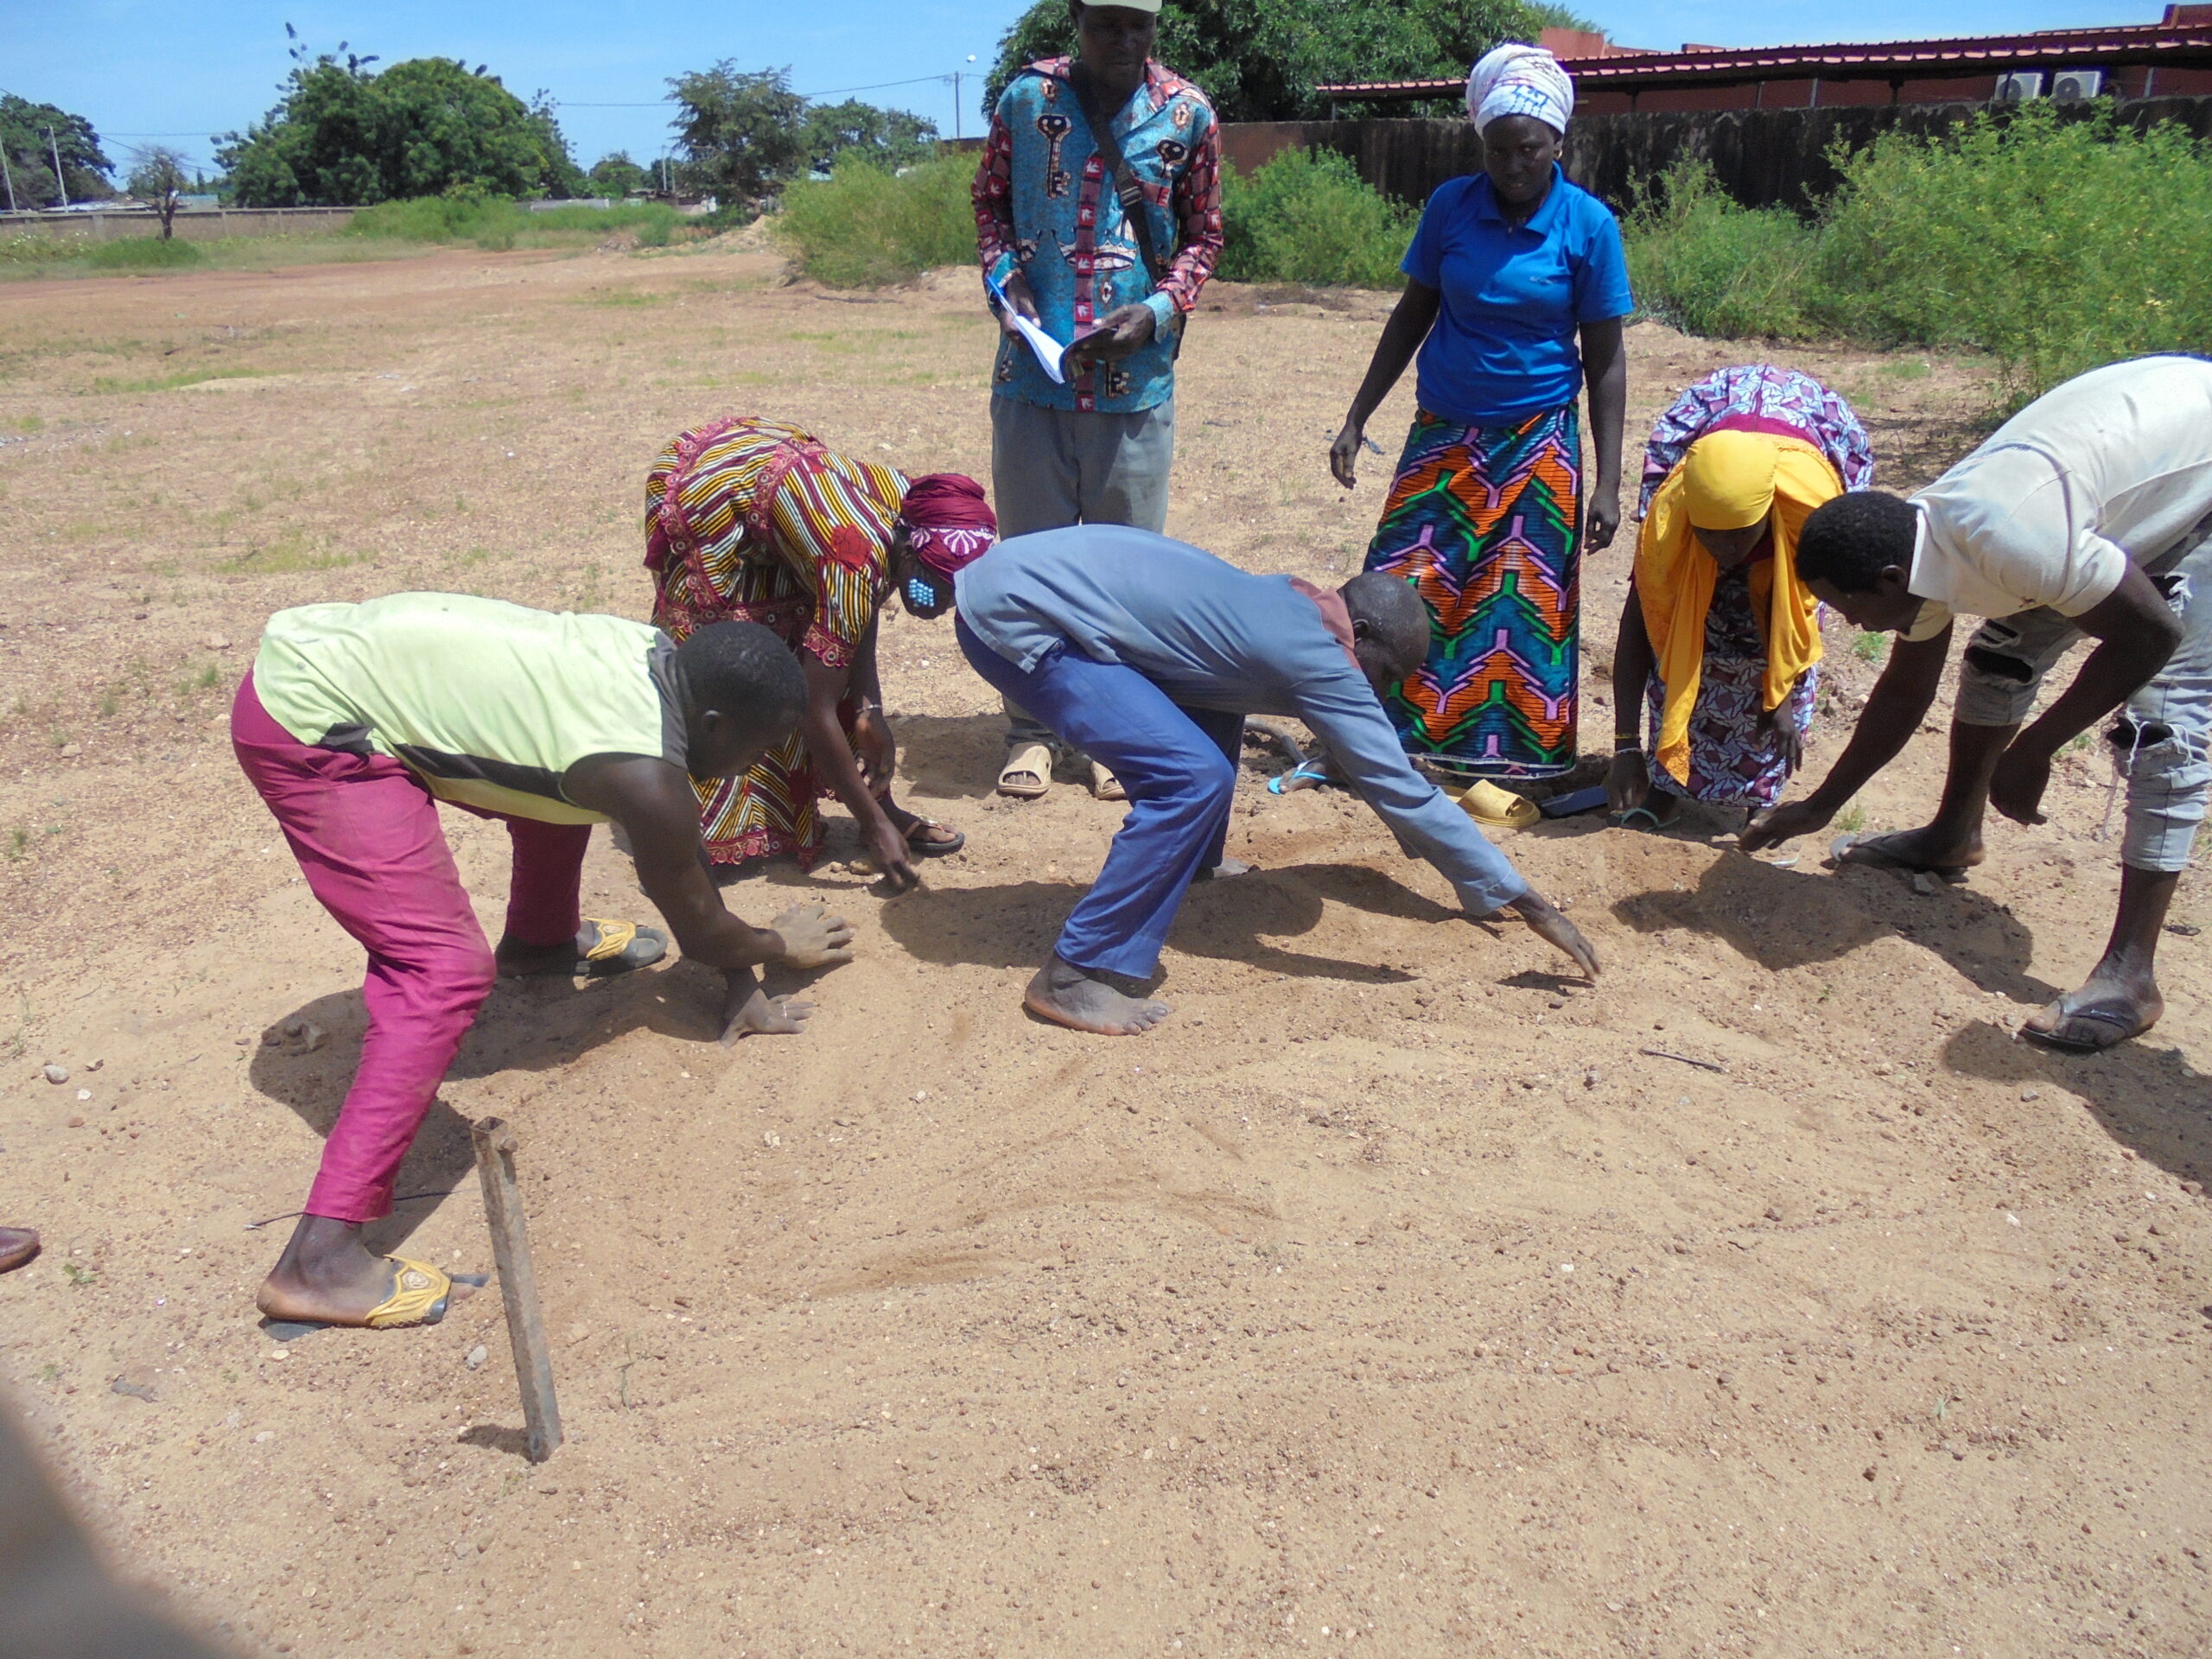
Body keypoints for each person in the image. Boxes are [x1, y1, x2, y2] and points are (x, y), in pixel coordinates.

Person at [233, 593, 858, 1329]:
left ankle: (541, 942)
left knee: (560, 783)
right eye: (755, 749)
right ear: (716, 724)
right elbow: (697, 915)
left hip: (344, 656)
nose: (750, 768)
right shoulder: (642, 773)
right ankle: (318, 1263)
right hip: (313, 723)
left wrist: (736, 977)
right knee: (441, 970)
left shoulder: (653, 667)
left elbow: (671, 840)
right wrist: (775, 946)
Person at [954, 525, 1600, 1034]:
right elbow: (1399, 789)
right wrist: (1525, 899)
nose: (1379, 693)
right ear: (1363, 633)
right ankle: (1072, 975)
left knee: (1216, 707)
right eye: (1386, 675)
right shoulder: (1319, 657)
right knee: (1191, 778)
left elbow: (1210, 682)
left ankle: (1194, 861)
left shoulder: (1294, 601)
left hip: (1024, 582)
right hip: (1020, 620)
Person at [1743, 354, 2212, 1052]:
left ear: (1890, 578)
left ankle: (2131, 975)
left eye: (1849, 608)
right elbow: (1906, 690)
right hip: (2116, 491)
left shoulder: (2006, 536)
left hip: (2199, 484)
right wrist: (1821, 805)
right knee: (1999, 659)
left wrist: (2037, 749)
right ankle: (1952, 836)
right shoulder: (1926, 549)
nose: (1851, 626)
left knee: (2163, 726)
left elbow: (2148, 633)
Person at [1331, 42, 1630, 790]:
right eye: (1497, 151)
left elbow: (1607, 362)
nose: (1512, 167)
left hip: (1538, 440)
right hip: (1445, 433)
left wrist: (1610, 482)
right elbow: (1411, 316)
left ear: (1558, 142)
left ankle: (1512, 759)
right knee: (1404, 581)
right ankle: (1373, 742)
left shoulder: (1589, 226)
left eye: (1527, 150)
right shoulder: (1450, 207)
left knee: (1516, 601)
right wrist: (1357, 414)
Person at [972, 0, 1224, 803]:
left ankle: (1115, 734)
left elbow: (1205, 235)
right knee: (1029, 567)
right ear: (1076, 15)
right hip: (1031, 380)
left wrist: (1155, 313)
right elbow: (990, 207)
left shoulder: (1189, 113)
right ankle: (1032, 731)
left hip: (1135, 391)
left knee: (1123, 575)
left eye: (1139, 27)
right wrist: (1004, 285)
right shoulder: (1025, 100)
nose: (1122, 41)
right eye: (1106, 23)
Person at [645, 416, 995, 892]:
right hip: (707, 494)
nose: (946, 600)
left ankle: (874, 806)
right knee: (735, 660)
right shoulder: (854, 554)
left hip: (772, 483)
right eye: (938, 582)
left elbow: (857, 610)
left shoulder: (911, 513)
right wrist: (872, 827)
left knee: (818, 641)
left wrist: (870, 710)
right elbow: (815, 708)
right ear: (910, 552)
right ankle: (685, 836)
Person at [1607, 365, 1872, 828]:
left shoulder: (1807, 524)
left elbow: (1792, 625)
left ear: (1767, 514)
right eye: (1710, 537)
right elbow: (1641, 630)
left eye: (1738, 538)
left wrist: (1782, 702)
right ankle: (1667, 783)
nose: (1724, 552)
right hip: (1716, 429)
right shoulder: (1670, 534)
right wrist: (1625, 744)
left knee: (1769, 670)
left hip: (1800, 446)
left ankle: (1762, 797)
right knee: (1681, 638)